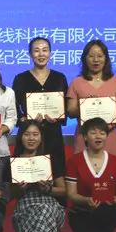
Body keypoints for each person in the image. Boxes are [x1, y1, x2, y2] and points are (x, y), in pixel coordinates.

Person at [65, 117, 116, 232]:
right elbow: (71, 194)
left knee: (106, 212)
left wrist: (112, 200)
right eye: (93, 133)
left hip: (108, 209)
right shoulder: (74, 161)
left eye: (102, 133)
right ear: (85, 137)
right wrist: (86, 200)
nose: (98, 136)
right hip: (82, 211)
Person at [12, 36, 69, 182]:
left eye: (45, 50)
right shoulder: (20, 78)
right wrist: (24, 119)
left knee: (57, 176)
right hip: (29, 136)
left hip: (53, 134)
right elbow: (13, 107)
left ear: (50, 53)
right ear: (30, 54)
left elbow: (66, 106)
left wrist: (59, 117)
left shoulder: (59, 77)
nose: (41, 54)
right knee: (26, 179)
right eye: (36, 50)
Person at [10, 121, 66, 232]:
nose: (31, 138)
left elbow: (64, 190)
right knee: (38, 212)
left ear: (41, 137)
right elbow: (9, 195)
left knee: (44, 210)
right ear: (20, 137)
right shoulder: (14, 162)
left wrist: (48, 189)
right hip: (25, 206)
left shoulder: (49, 160)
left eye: (35, 134)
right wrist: (19, 189)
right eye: (27, 134)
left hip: (50, 204)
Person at [67, 39, 116, 157]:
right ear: (85, 58)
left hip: (109, 135)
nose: (96, 60)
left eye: (100, 56)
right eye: (91, 56)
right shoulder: (76, 82)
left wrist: (110, 126)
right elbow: (71, 111)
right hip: (84, 137)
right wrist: (85, 105)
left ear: (106, 58)